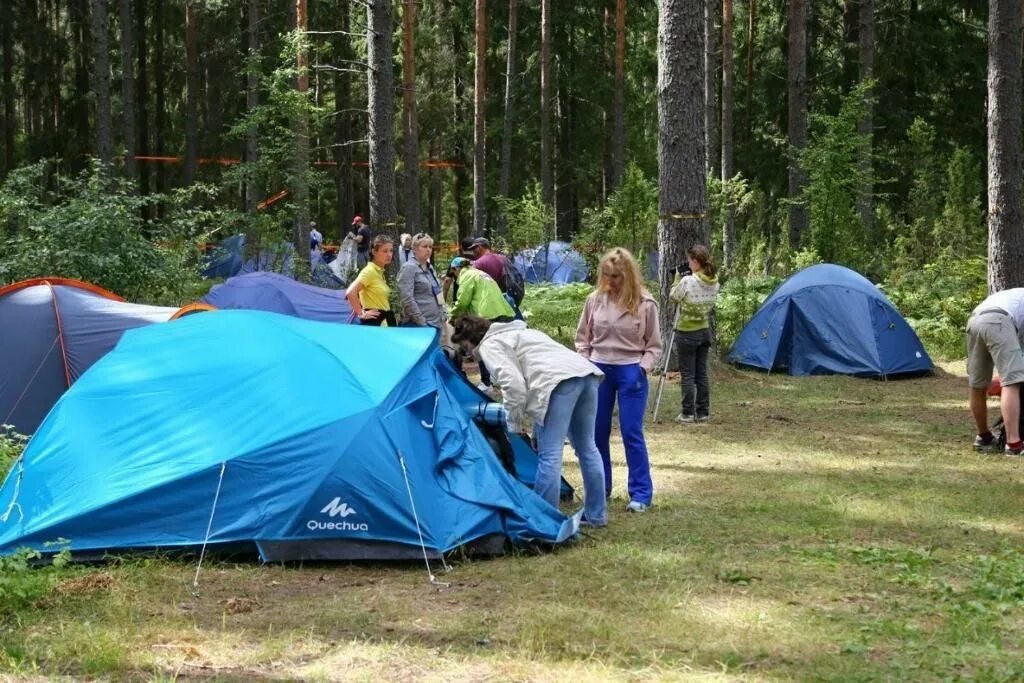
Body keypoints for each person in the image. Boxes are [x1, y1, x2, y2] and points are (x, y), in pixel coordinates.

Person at [452, 314, 607, 526]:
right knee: (587, 447)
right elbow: (537, 379)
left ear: (471, 339)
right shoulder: (522, 332)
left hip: (558, 383)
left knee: (549, 455)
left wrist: (513, 425)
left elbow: (514, 385)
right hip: (586, 375)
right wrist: (535, 429)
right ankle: (597, 515)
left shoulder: (490, 345)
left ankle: (544, 522)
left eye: (464, 348)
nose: (467, 354)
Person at [575, 247, 661, 513]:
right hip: (599, 370)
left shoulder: (646, 303)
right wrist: (587, 363)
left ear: (628, 276)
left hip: (630, 371)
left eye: (616, 277)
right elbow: (582, 338)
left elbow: (655, 345)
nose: (610, 282)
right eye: (606, 276)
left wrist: (642, 369)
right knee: (596, 433)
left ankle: (641, 494)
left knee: (631, 431)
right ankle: (600, 487)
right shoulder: (594, 300)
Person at [967, 288, 1024, 455]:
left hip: (975, 320)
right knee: (1012, 381)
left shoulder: (1016, 295)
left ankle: (983, 438)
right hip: (999, 321)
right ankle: (1014, 445)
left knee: (977, 384)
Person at [669, 245, 720, 424]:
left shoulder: (688, 281)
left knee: (688, 375)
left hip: (687, 332)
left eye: (690, 261)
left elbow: (674, 296)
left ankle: (688, 413)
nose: (689, 264)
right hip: (704, 330)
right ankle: (703, 411)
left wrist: (677, 278)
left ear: (696, 262)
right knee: (701, 374)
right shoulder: (714, 281)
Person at [449, 257, 516, 392]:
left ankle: (486, 383)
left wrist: (451, 316)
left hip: (487, 313)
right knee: (500, 348)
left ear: (456, 269)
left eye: (454, 272)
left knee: (481, 347)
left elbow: (463, 301)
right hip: (503, 311)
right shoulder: (480, 273)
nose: (455, 276)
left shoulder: (466, 275)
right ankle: (502, 379)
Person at [397, 233, 446, 334]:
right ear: (414, 249)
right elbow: (406, 298)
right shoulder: (409, 267)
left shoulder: (430, 267)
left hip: (436, 323)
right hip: (419, 327)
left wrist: (444, 312)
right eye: (424, 246)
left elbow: (438, 290)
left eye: (430, 247)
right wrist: (421, 322)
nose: (428, 249)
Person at [345, 235, 396, 326]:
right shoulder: (369, 271)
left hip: (383, 323)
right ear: (373, 252)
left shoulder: (379, 272)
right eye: (385, 251)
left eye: (391, 251)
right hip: (375, 325)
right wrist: (361, 313)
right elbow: (350, 293)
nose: (389, 255)